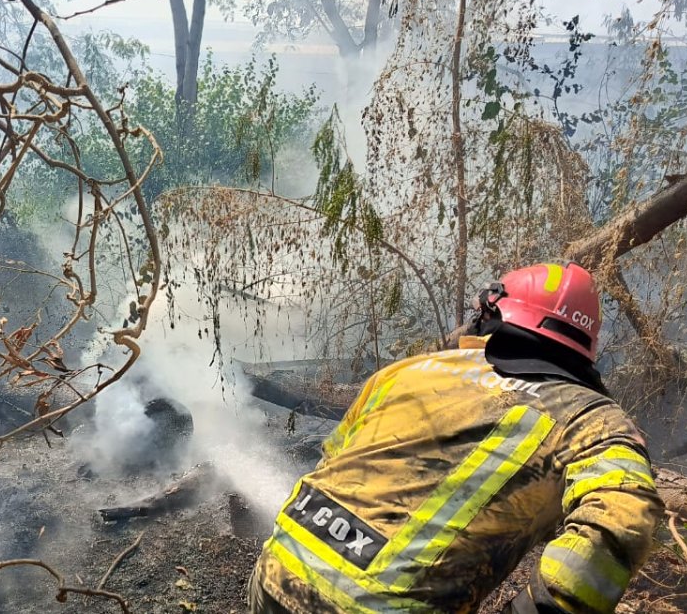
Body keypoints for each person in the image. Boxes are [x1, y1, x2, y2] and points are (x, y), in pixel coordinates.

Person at [248, 262, 663, 614]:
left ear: (494, 314)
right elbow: (621, 524)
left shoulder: (414, 368)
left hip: (277, 571)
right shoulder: (593, 420)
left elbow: (335, 455)